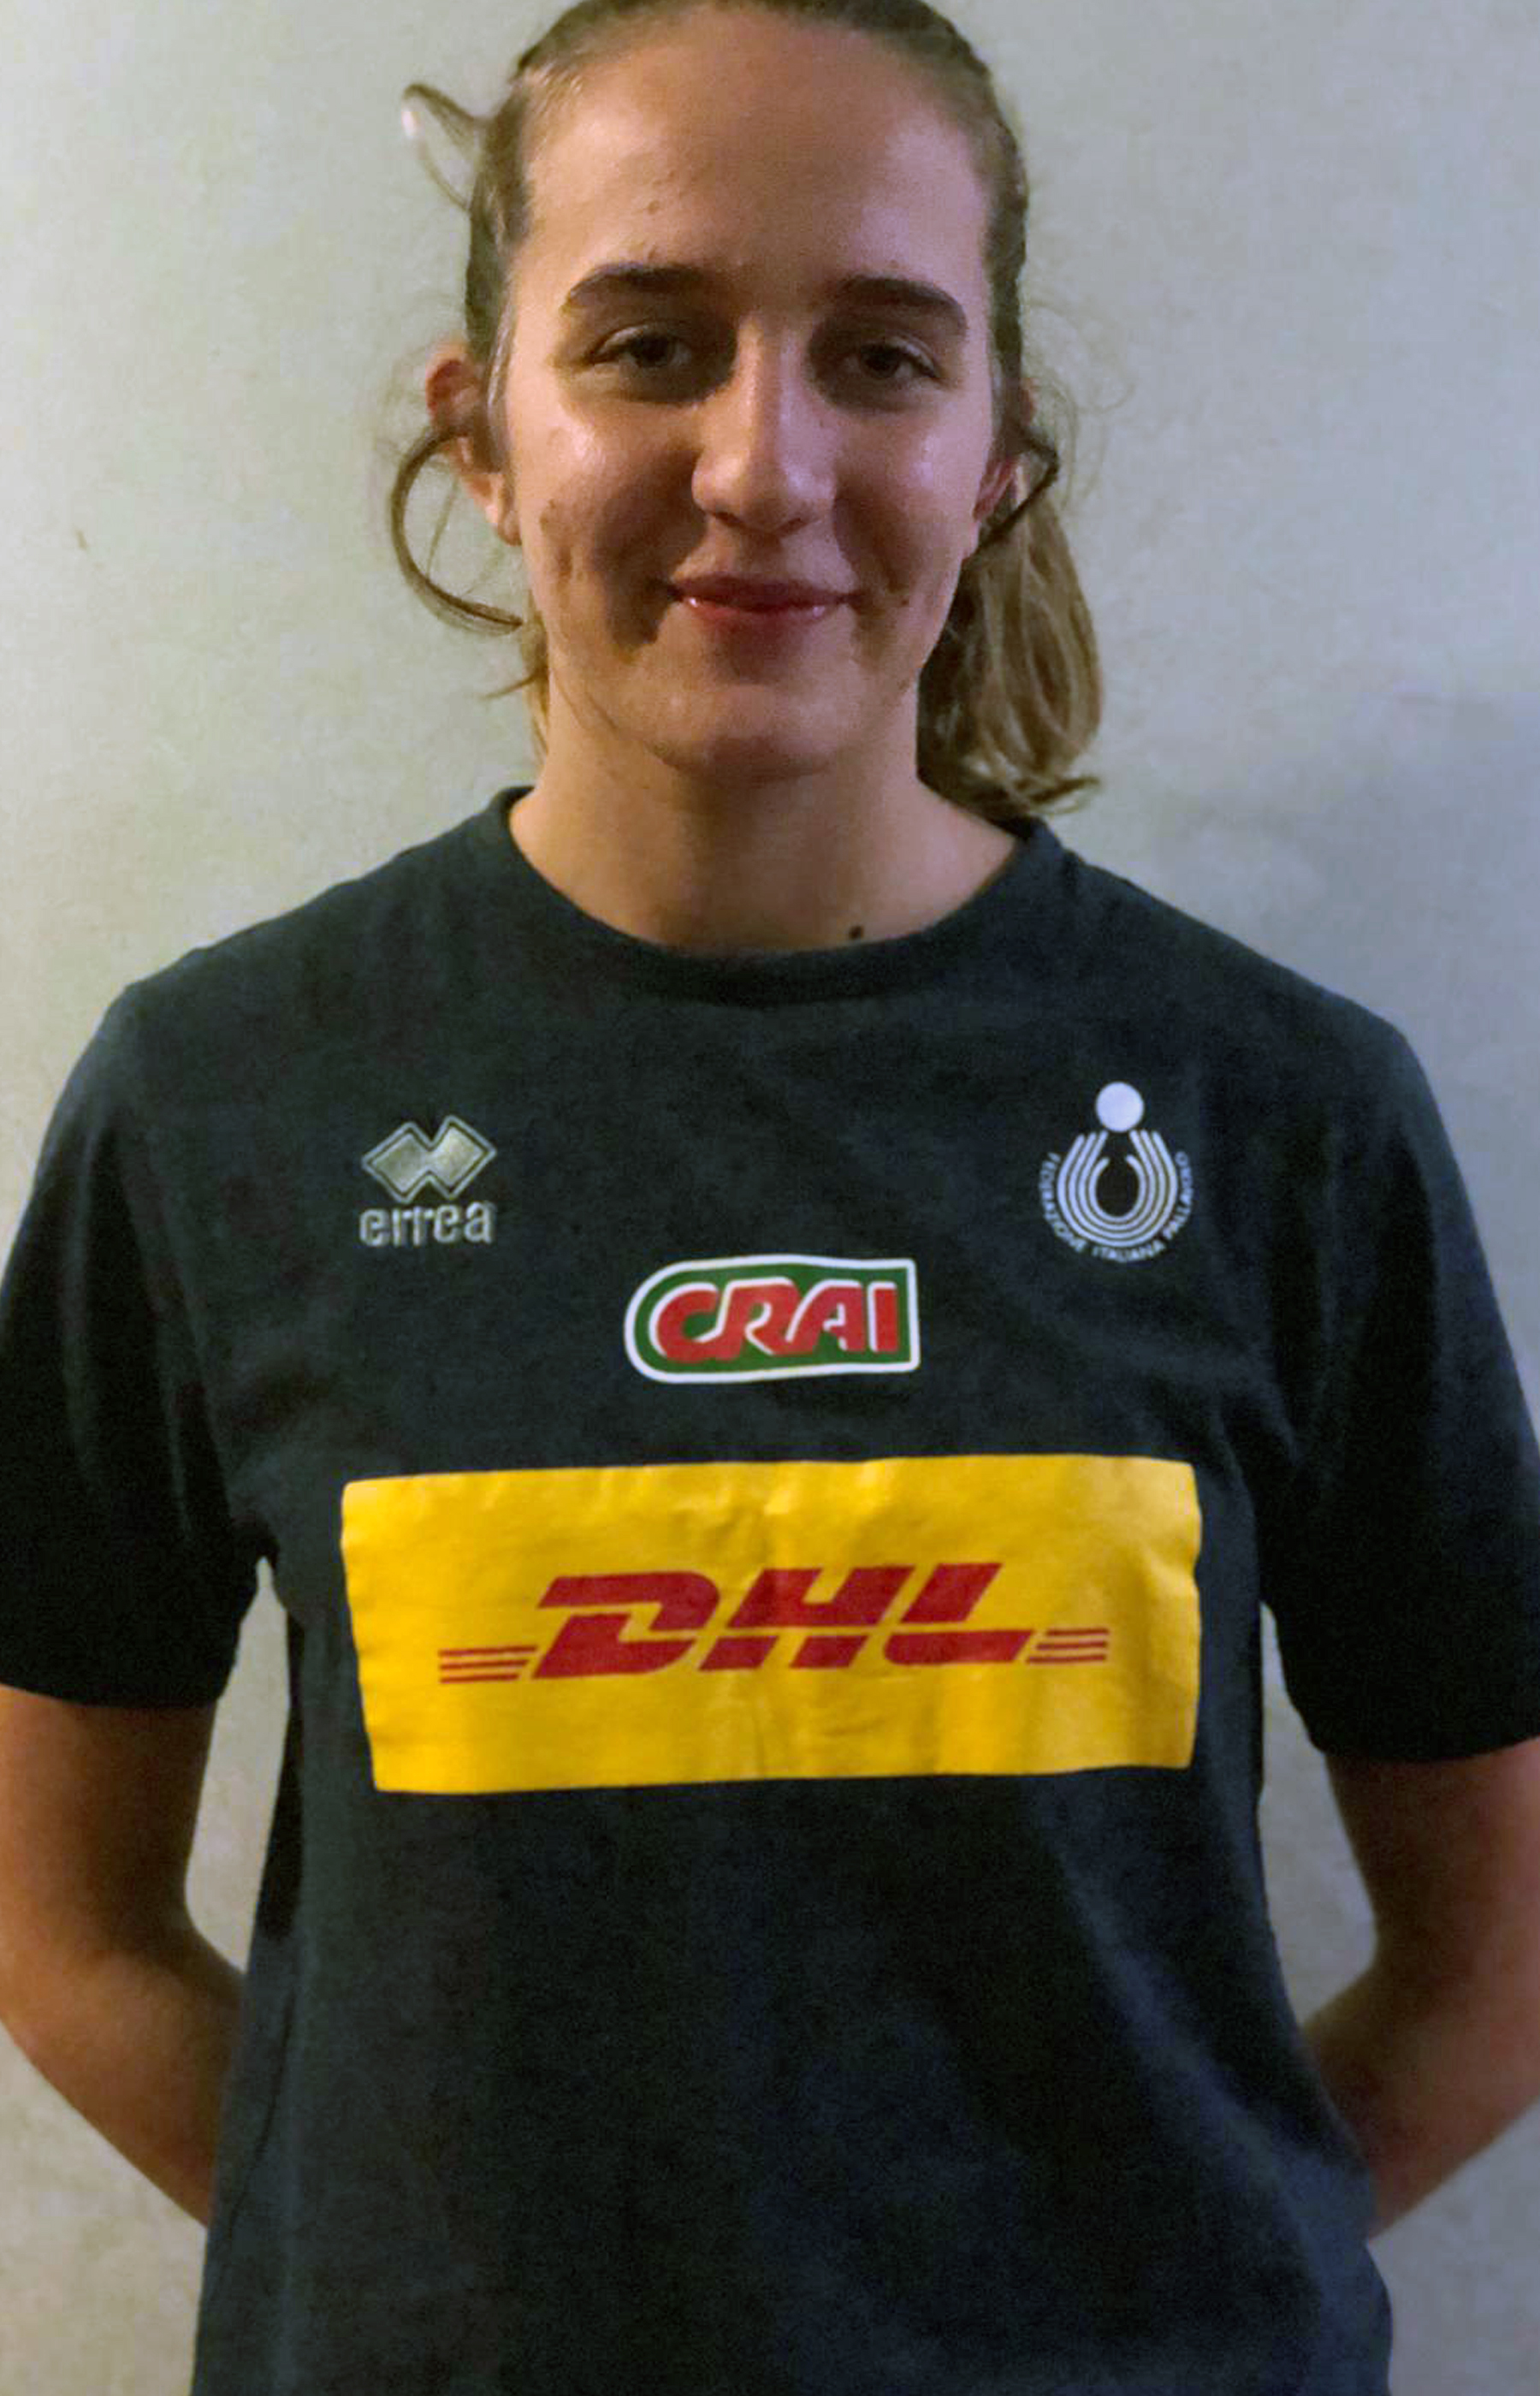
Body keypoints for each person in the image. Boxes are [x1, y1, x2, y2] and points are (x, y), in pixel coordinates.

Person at [3, 1, 1539, 2390]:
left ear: (995, 450)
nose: (763, 465)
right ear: (483, 435)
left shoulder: (1281, 1120)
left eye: (882, 359)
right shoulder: (220, 1106)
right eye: (649, 344)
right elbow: (58, 1924)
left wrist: (1158, 2296)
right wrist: (422, 2294)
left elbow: (1498, 1964)